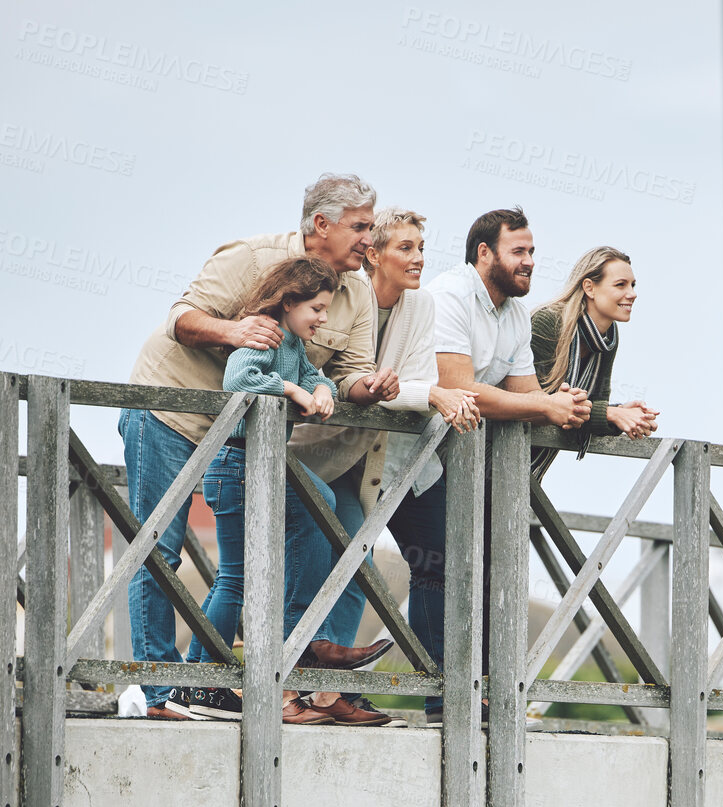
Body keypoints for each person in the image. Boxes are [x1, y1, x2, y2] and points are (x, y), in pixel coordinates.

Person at [122, 173, 392, 719]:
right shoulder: (251, 259)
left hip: (247, 439)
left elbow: (350, 373)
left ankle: (285, 654)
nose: (371, 239)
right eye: (361, 227)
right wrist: (235, 332)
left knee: (313, 515)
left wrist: (367, 388)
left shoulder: (357, 290)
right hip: (173, 413)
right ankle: (158, 695)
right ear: (322, 224)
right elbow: (181, 318)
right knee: (160, 552)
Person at [287, 208, 481, 724]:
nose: (419, 258)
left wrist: (421, 392)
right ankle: (285, 684)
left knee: (358, 563)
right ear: (374, 254)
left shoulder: (419, 305)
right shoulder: (348, 296)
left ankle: (329, 693)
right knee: (293, 566)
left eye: (422, 247)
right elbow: (366, 380)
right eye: (406, 248)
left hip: (368, 458)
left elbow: (410, 383)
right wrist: (427, 392)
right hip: (309, 450)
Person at [414, 207, 591, 717]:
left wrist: (581, 408)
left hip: (457, 465)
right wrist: (546, 404)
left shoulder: (512, 314)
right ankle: (443, 699)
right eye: (519, 251)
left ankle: (475, 694)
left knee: (478, 569)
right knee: (434, 569)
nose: (530, 261)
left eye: (532, 252)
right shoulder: (449, 295)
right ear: (484, 252)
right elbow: (459, 388)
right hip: (409, 454)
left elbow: (527, 394)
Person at [167, 258, 345, 720]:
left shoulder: (295, 344)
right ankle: (200, 683)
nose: (323, 319)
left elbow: (314, 376)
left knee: (310, 514)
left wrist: (323, 389)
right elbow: (238, 379)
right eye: (317, 309)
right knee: (236, 579)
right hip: (234, 465)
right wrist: (290, 389)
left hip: (257, 467)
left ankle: (202, 682)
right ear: (289, 303)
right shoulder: (267, 331)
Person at [529, 247, 659, 478]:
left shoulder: (608, 338)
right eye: (621, 285)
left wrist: (620, 414)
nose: (632, 293)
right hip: (490, 455)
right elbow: (538, 406)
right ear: (589, 287)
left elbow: (592, 408)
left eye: (633, 285)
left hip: (530, 471)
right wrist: (611, 414)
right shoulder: (549, 322)